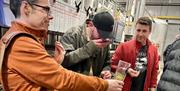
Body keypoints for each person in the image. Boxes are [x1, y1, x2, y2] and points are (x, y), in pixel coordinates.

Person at [0, 0, 124, 90]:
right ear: (26, 7)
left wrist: (55, 62)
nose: (51, 16)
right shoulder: (22, 43)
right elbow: (62, 78)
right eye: (46, 9)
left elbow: (42, 76)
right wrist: (104, 85)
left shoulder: (25, 38)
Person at [60, 11, 113, 79]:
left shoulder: (104, 39)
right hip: (73, 84)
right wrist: (89, 48)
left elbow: (107, 62)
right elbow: (63, 60)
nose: (103, 37)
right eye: (100, 33)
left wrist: (106, 71)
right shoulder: (73, 34)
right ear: (91, 24)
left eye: (105, 35)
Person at [111, 17, 159, 91]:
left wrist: (153, 87)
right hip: (125, 88)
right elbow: (112, 64)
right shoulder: (124, 46)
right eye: (138, 30)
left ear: (149, 32)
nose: (140, 34)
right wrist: (127, 70)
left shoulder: (153, 50)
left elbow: (154, 71)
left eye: (144, 31)